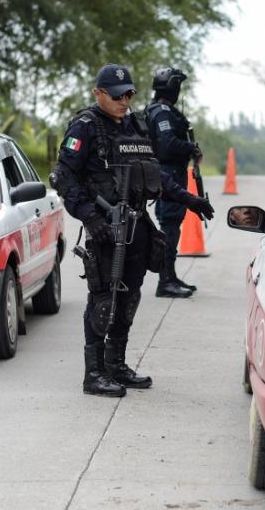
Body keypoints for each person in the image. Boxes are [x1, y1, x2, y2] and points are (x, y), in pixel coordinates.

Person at [51, 64, 215, 397]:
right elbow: (63, 178)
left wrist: (190, 200)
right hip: (105, 227)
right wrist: (89, 217)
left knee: (130, 296)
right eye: (116, 95)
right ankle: (94, 373)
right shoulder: (85, 127)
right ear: (98, 93)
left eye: (128, 94)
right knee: (103, 299)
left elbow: (157, 176)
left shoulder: (137, 124)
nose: (123, 101)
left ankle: (117, 365)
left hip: (138, 223)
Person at [145, 66, 203, 298]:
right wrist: (191, 148)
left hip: (173, 174)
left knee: (172, 228)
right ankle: (165, 281)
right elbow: (167, 144)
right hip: (167, 175)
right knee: (169, 227)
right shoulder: (162, 113)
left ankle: (170, 275)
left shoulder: (165, 111)